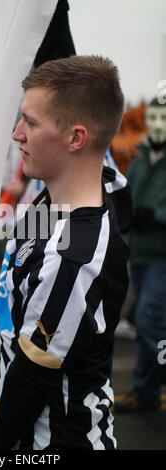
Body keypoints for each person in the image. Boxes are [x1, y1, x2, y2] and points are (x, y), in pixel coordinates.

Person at [0, 55, 132, 450]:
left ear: (76, 139)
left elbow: (32, 378)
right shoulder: (81, 186)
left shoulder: (74, 257)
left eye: (31, 123)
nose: (17, 133)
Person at [114, 98, 166, 413]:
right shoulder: (142, 156)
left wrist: (157, 215)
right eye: (154, 118)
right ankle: (146, 390)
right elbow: (126, 196)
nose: (158, 124)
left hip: (162, 255)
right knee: (147, 322)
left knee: (149, 320)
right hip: (142, 256)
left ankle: (148, 385)